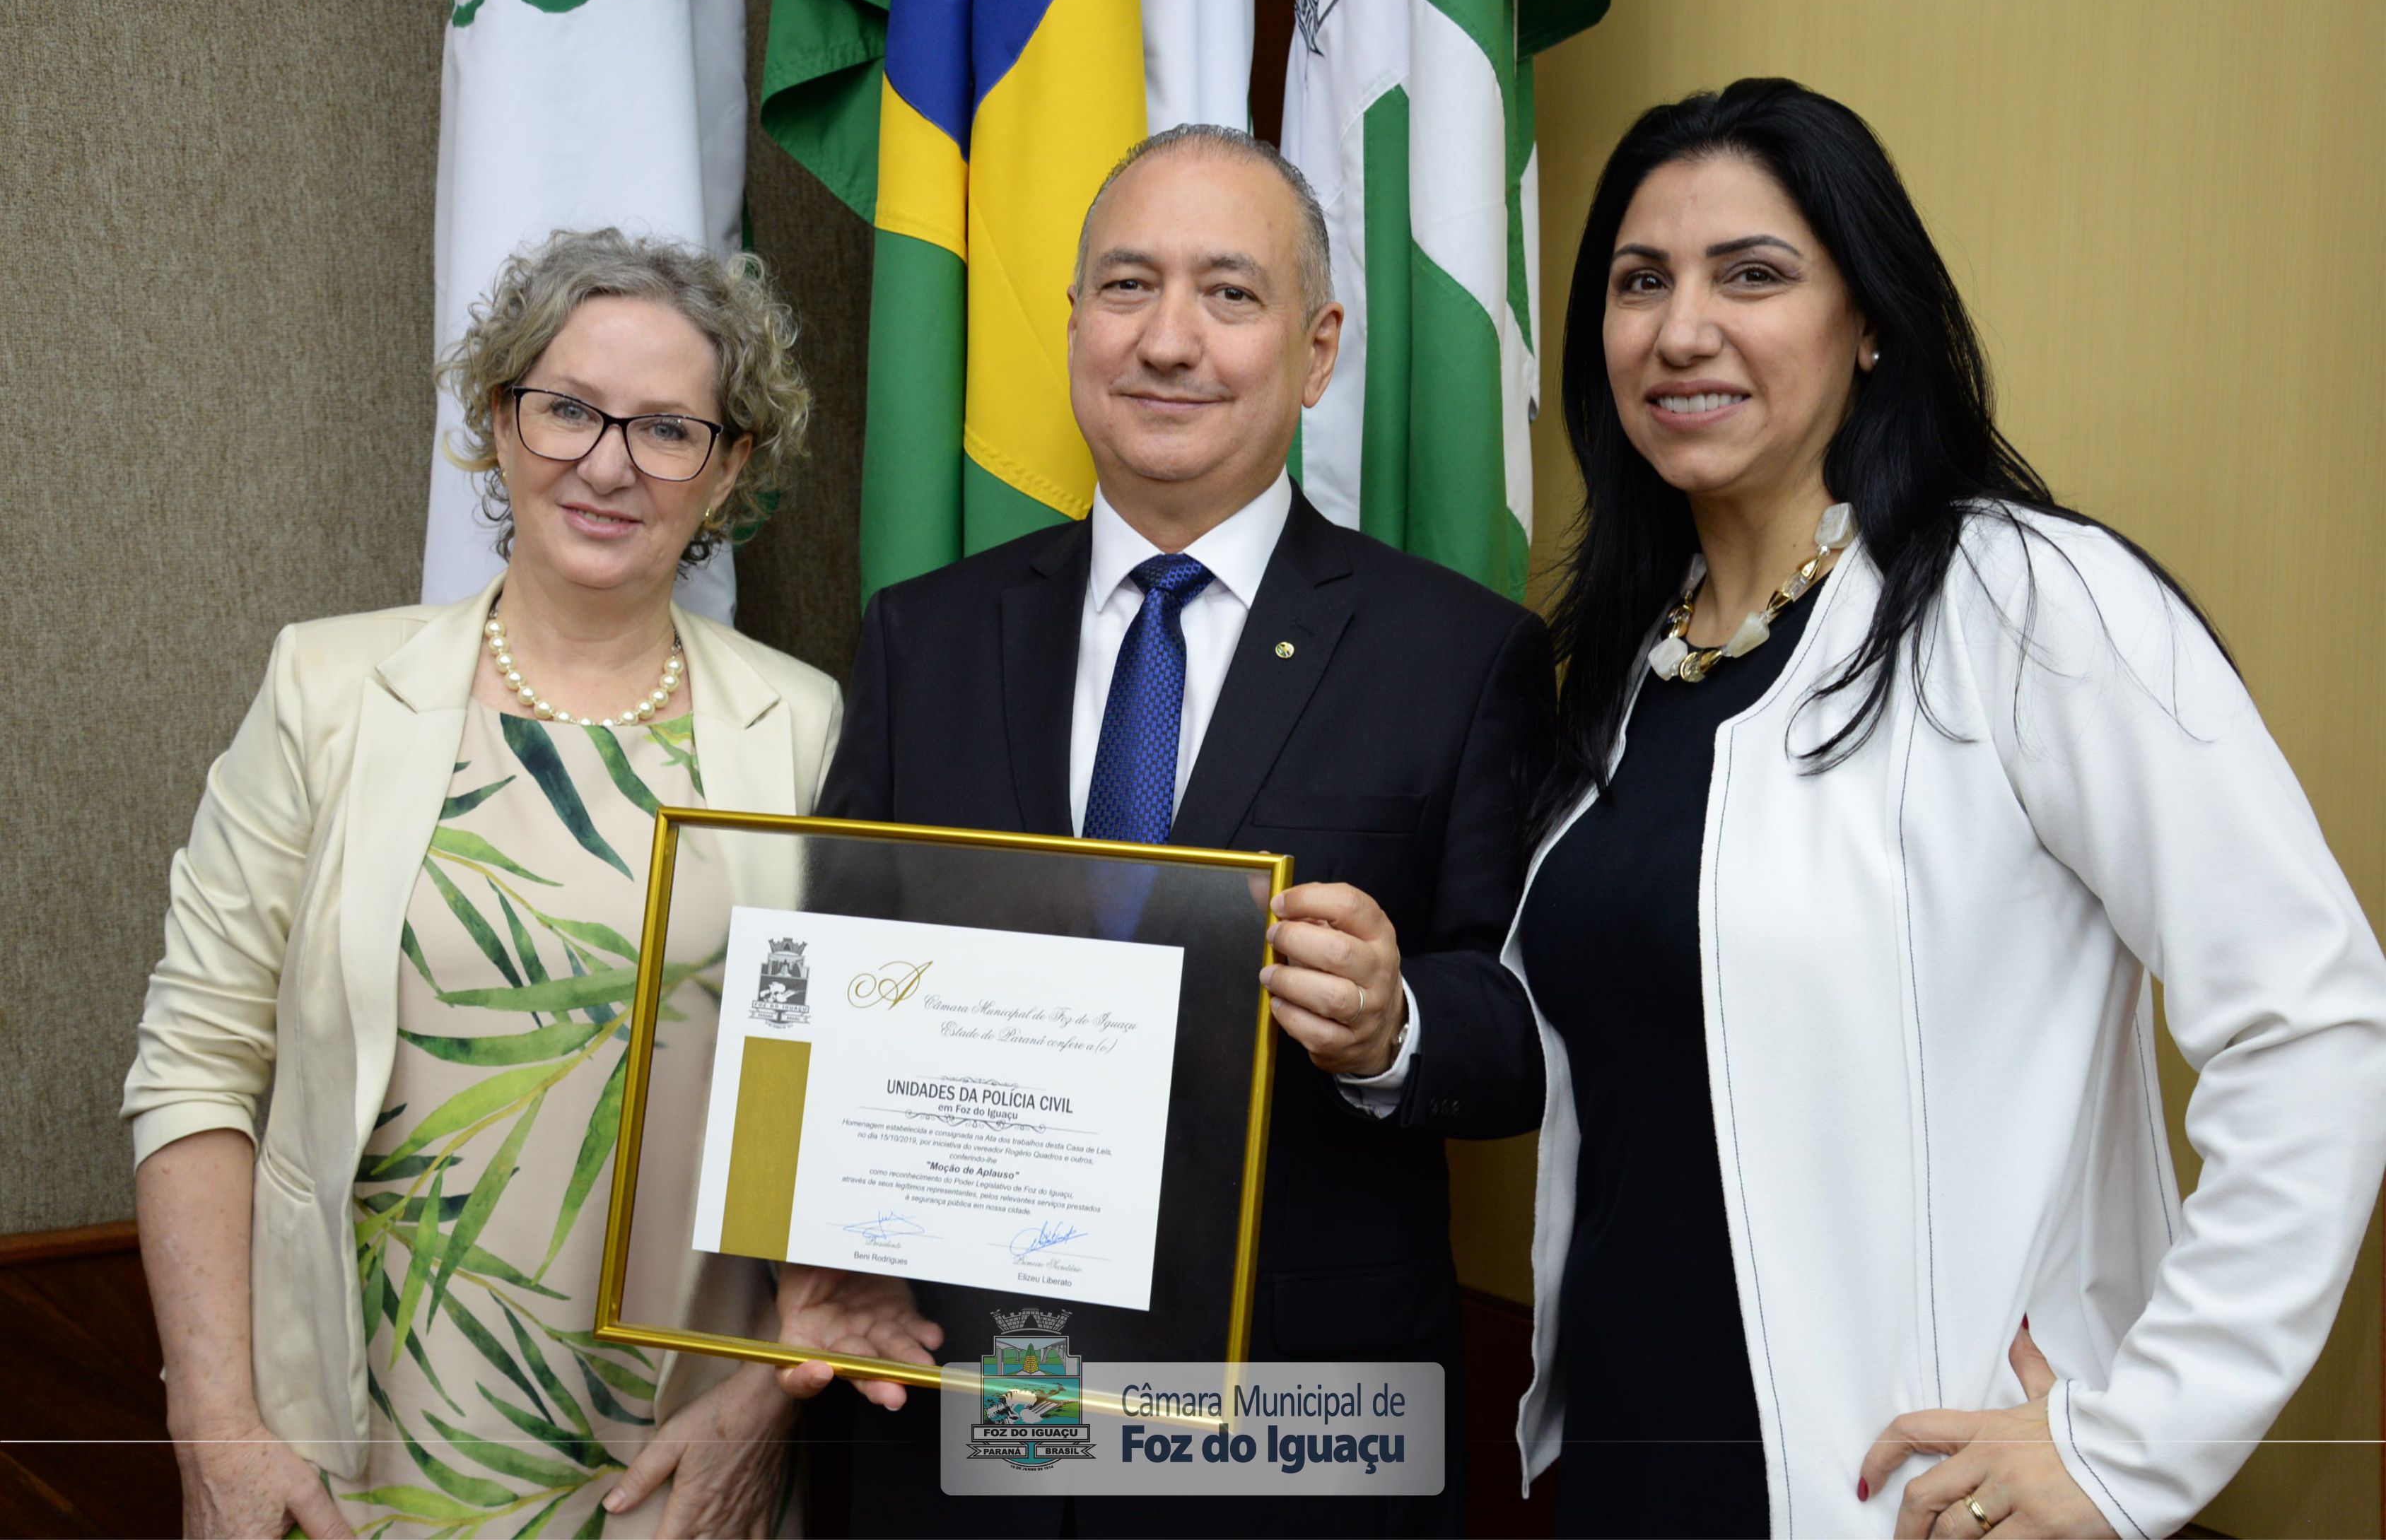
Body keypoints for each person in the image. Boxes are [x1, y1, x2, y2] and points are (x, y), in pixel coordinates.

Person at [1508, 76, 2386, 1539]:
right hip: (1625, 1474)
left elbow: (2313, 1020)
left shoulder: (2022, 603)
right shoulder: (1618, 671)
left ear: (1867, 321)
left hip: (1908, 1509)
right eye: (1636, 281)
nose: (1678, 328)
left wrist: (2130, 1444)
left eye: (1753, 274)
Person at [779, 124, 1555, 1536]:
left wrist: (1394, 1025)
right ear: (1072, 323)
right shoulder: (923, 637)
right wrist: (807, 1240)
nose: (1168, 339)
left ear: (1315, 351)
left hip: (1291, 1437)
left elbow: (1524, 1031)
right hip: (969, 1408)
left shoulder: (1455, 653)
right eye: (1127, 287)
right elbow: (824, 986)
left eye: (1229, 293)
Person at [122, 228, 845, 1538]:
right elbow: (193, 1064)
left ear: (731, 464)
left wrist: (763, 1400)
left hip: (669, 1465)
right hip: (341, 1456)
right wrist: (216, 1427)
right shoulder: (326, 690)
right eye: (566, 408)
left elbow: (839, 1119)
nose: (608, 463)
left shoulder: (803, 728)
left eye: (668, 428)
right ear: (497, 419)